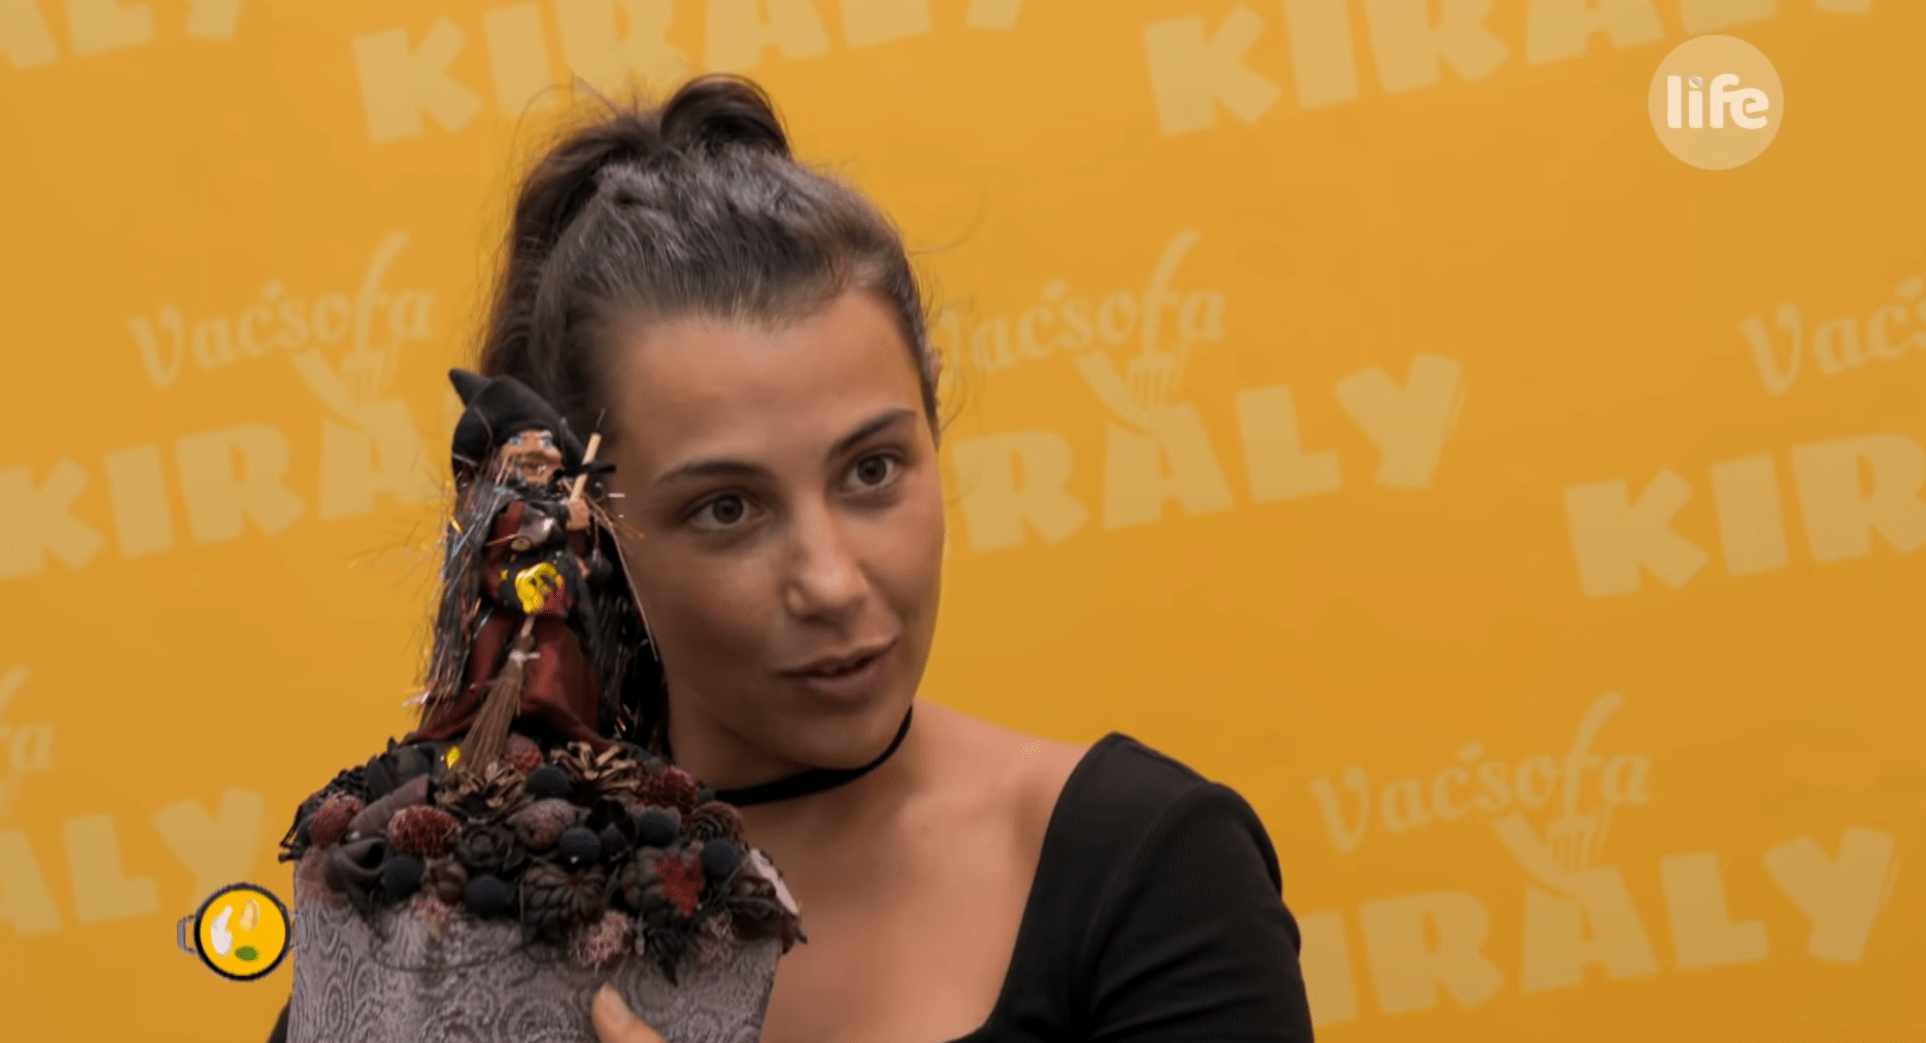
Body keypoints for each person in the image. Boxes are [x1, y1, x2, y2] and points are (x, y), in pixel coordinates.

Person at [274, 73, 1315, 1043]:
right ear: (589, 520)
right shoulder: (450, 905)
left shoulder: (1148, 863)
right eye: (727, 508)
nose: (832, 581)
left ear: (933, 410)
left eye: (872, 470)